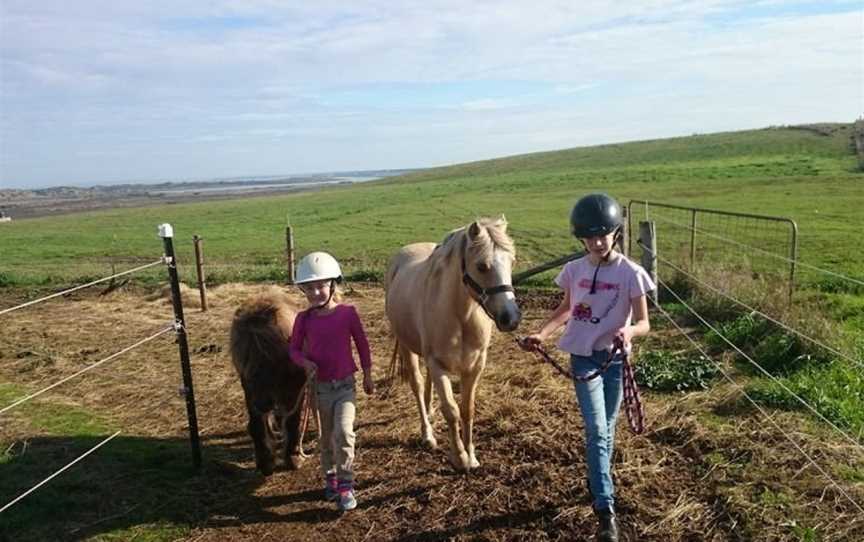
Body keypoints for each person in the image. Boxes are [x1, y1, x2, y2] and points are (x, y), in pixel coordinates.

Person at [519, 193, 654, 542]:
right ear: (580, 238)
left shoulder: (631, 274)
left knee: (607, 429)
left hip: (614, 360)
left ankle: (595, 479)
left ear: (616, 233)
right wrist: (542, 334)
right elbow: (567, 308)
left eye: (602, 235)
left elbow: (644, 323)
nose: (596, 242)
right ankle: (605, 509)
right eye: (589, 237)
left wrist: (629, 331)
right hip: (582, 356)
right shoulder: (574, 270)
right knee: (596, 430)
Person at [289, 251, 374, 512]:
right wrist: (304, 362)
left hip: (345, 386)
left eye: (320, 286)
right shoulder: (303, 319)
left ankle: (346, 484)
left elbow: (362, 343)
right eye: (309, 288)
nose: (315, 292)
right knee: (326, 437)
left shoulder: (348, 313)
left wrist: (369, 374)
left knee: (344, 433)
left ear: (332, 285)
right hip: (320, 389)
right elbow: (292, 349)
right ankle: (330, 477)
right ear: (303, 290)